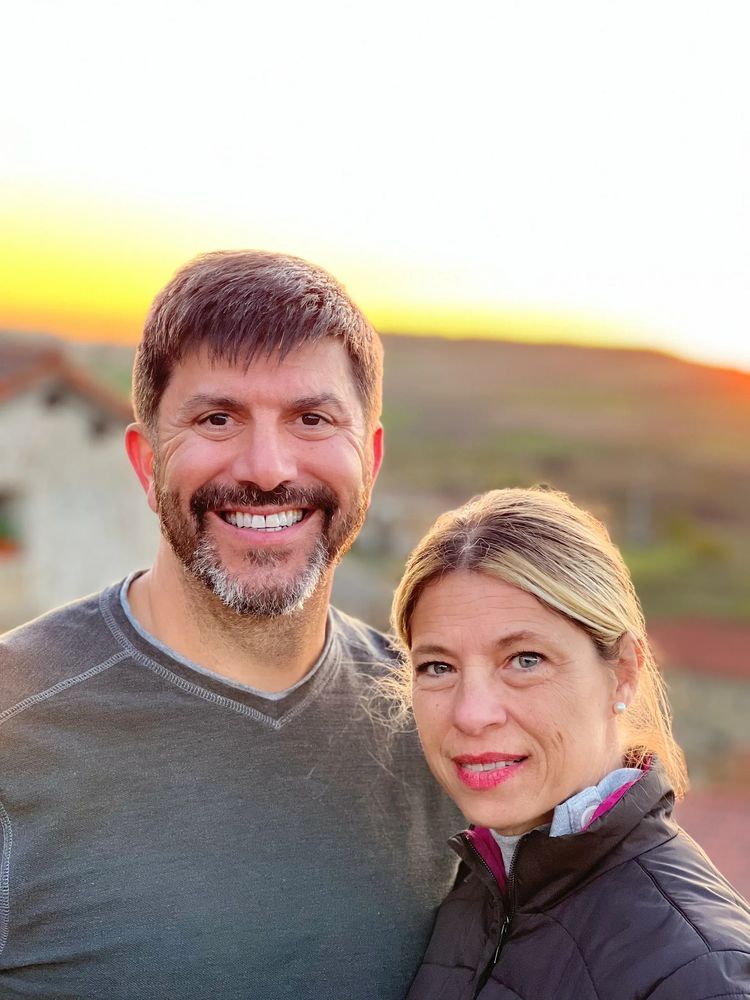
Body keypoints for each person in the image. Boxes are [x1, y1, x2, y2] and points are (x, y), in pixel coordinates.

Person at [0, 251, 460, 999]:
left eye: (312, 419)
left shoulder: (441, 728)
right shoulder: (13, 732)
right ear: (147, 464)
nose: (269, 468)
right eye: (218, 418)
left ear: (369, 461)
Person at [390, 487, 750, 1000]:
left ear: (622, 673)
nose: (471, 714)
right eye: (438, 667)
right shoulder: (480, 886)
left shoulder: (700, 974)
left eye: (526, 660)